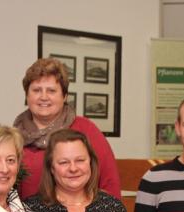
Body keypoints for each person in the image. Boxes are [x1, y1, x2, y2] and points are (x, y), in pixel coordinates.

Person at [13, 57, 122, 200]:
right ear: (27, 95)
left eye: (51, 91)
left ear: (64, 96)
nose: (44, 97)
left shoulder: (86, 130)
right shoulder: (14, 137)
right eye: (37, 90)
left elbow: (109, 182)